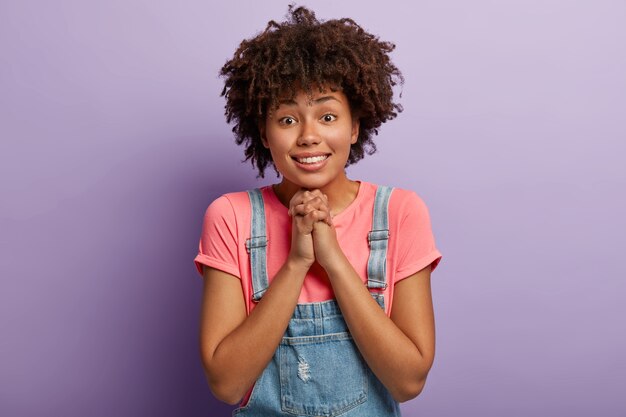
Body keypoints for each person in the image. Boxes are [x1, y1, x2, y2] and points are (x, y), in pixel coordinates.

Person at [193, 5, 443, 416]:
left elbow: (408, 380)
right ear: (264, 132)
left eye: (327, 116)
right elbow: (226, 383)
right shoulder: (231, 216)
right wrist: (297, 262)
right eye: (288, 118)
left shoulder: (400, 212)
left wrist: (333, 260)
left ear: (355, 126)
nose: (309, 136)